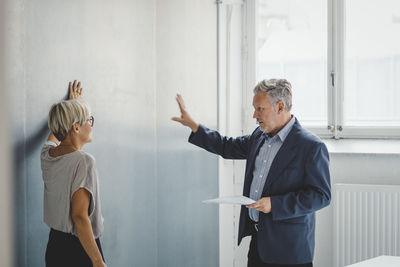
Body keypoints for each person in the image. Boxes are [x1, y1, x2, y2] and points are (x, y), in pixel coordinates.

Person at [172, 79, 331, 267]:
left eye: (260, 109)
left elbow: (321, 196)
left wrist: (275, 204)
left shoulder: (311, 146)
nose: (255, 115)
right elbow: (226, 145)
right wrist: (195, 126)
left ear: (280, 107)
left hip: (289, 250)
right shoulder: (259, 136)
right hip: (259, 244)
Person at [40, 81, 106, 267]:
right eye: (89, 120)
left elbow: (55, 135)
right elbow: (79, 216)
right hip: (80, 248)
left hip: (54, 246)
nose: (91, 125)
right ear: (76, 127)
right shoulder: (84, 161)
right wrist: (98, 261)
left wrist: (71, 106)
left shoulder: (47, 156)